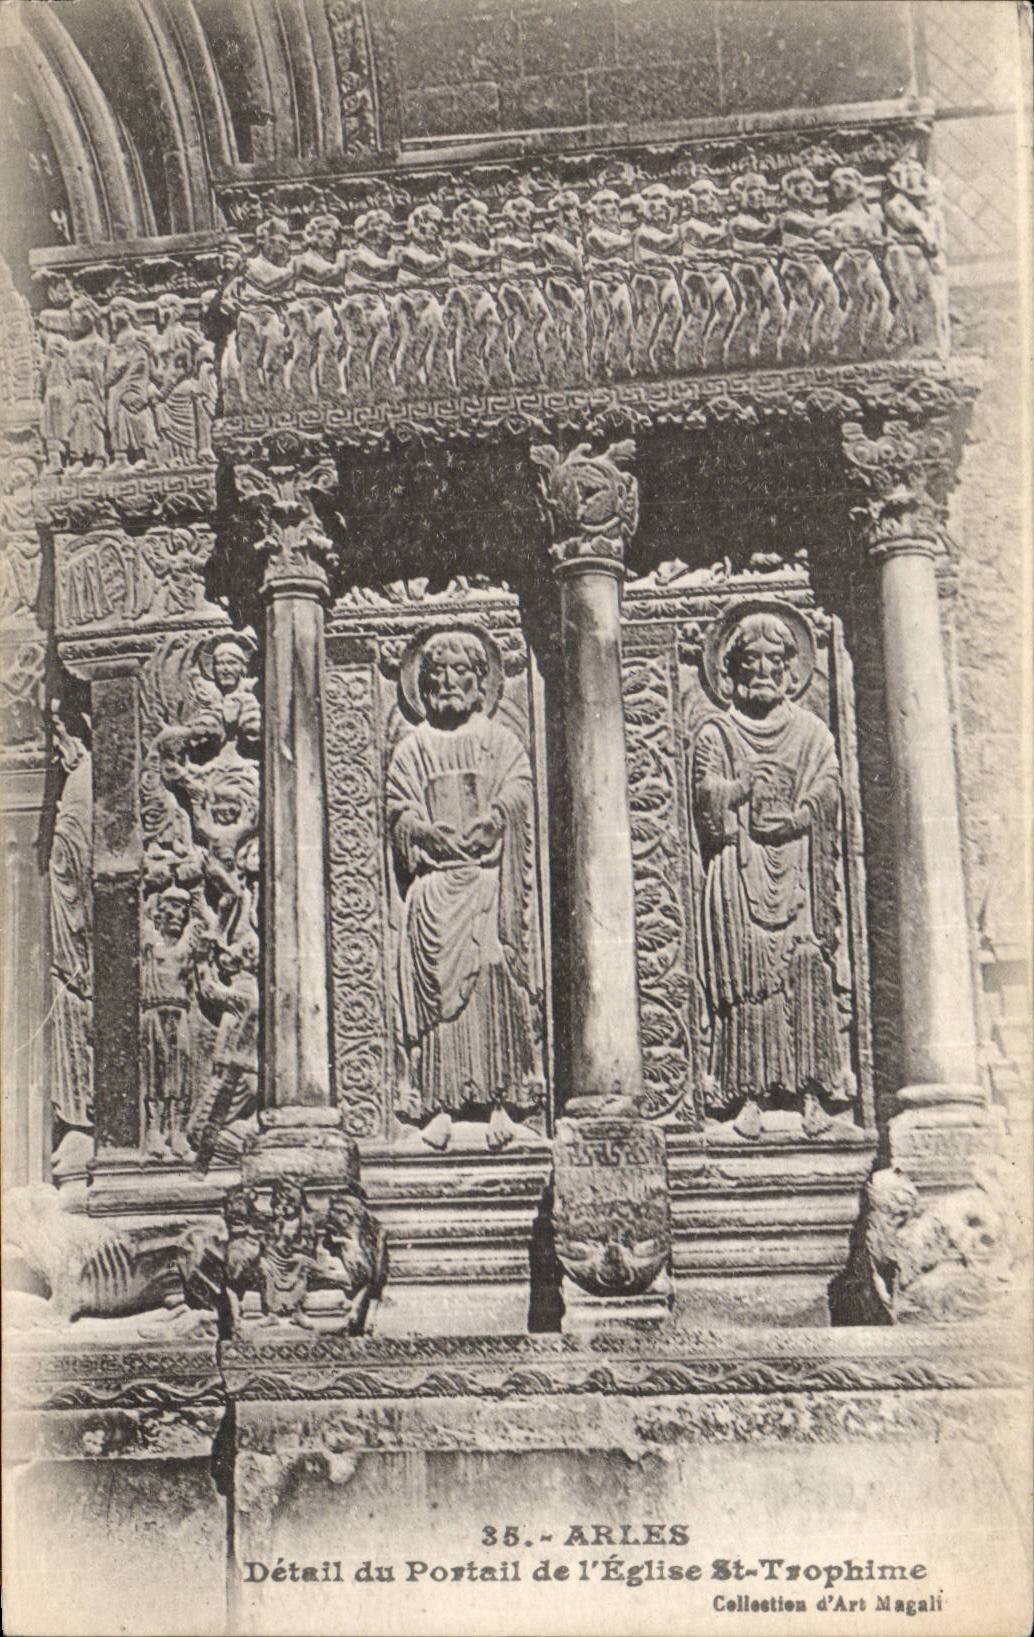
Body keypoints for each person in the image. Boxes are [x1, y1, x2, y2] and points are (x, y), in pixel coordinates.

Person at [691, 609, 855, 1134]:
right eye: (750, 660)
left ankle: (811, 1091)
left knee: (805, 967)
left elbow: (829, 786)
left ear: (790, 669)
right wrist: (739, 790)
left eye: (773, 660)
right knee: (749, 977)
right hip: (740, 869)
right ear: (731, 669)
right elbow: (705, 794)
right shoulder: (717, 731)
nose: (761, 670)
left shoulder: (810, 732)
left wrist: (804, 815)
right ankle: (749, 1095)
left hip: (797, 866)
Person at [386, 630, 543, 1150]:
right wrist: (423, 831)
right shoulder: (414, 747)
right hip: (434, 891)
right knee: (433, 990)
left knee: (493, 975)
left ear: (480, 684)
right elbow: (398, 808)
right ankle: (439, 1103)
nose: (448, 683)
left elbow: (520, 790)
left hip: (485, 882)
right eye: (436, 676)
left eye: (460, 674)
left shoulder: (500, 742)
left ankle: (501, 1098)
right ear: (424, 686)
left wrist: (498, 818)